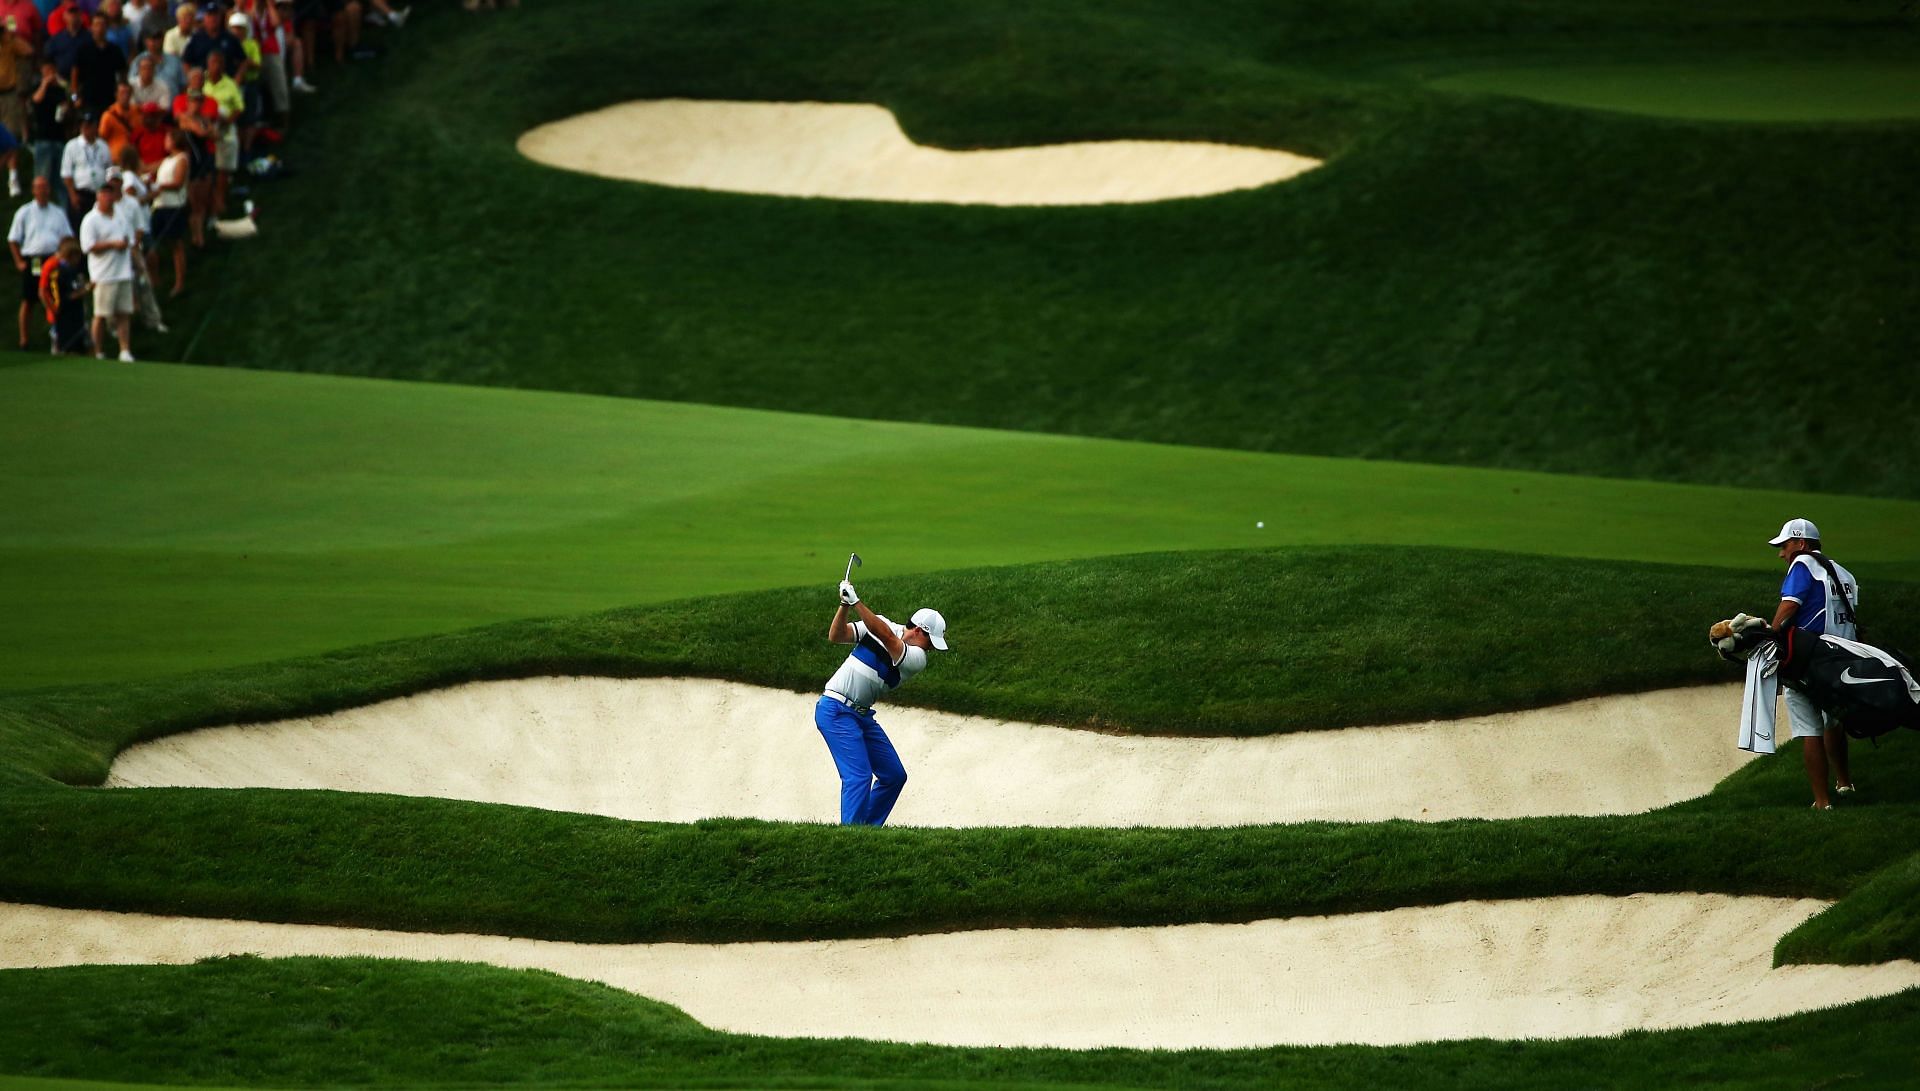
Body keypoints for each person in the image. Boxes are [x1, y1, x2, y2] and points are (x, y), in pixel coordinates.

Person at [815, 574, 949, 826]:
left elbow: (888, 638)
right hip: (835, 709)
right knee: (858, 776)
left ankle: (866, 830)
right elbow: (837, 635)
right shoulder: (880, 624)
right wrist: (844, 605)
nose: (930, 648)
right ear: (919, 631)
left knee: (894, 775)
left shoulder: (916, 658)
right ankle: (852, 836)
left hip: (861, 716)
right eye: (930, 641)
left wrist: (857, 602)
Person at [1767, 517, 1861, 810]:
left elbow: (1791, 602)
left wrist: (1773, 632)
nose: (1782, 553)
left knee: (1810, 728)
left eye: (1785, 545)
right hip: (1842, 659)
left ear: (1801, 543)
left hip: (1810, 659)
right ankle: (1845, 783)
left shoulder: (1802, 564)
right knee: (1833, 721)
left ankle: (1822, 802)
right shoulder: (1843, 572)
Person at [8, 174, 72, 346]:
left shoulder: (57, 212)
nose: (42, 190)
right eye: (38, 187)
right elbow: (13, 239)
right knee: (29, 299)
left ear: (49, 190)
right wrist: (19, 261)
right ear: (33, 190)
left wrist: (62, 256)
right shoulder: (25, 211)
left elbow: (67, 237)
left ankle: (58, 337)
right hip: (34, 260)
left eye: (45, 187)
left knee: (55, 297)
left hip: (52, 259)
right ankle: (24, 339)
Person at [79, 176, 136, 360]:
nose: (108, 198)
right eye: (104, 194)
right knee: (101, 315)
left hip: (123, 272)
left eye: (111, 194)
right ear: (98, 197)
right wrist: (112, 244)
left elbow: (131, 239)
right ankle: (97, 351)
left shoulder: (120, 216)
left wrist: (125, 244)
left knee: (123, 313)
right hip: (103, 274)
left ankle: (125, 350)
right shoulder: (91, 220)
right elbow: (88, 246)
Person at [147, 123, 185, 292]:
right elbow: (148, 168)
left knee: (175, 244)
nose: (165, 141)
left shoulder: (182, 159)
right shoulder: (166, 160)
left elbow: (178, 183)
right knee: (152, 243)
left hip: (173, 206)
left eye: (168, 138)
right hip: (159, 206)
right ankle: (155, 279)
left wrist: (158, 186)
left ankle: (179, 282)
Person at [28, 59, 70, 211]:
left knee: (60, 181)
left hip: (58, 138)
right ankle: (38, 211)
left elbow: (66, 109)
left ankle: (64, 214)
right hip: (43, 139)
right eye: (46, 70)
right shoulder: (37, 87)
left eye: (52, 70)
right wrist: (45, 83)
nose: (50, 73)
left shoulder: (60, 90)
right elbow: (36, 100)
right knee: (42, 179)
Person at [60, 111, 112, 232]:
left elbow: (109, 169)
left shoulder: (103, 146)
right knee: (78, 227)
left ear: (95, 126)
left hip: (99, 193)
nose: (86, 128)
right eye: (83, 125)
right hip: (80, 193)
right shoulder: (72, 146)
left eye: (89, 125)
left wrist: (109, 192)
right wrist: (72, 195)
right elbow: (66, 174)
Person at [39, 234, 89, 354]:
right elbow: (43, 291)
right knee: (58, 339)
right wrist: (52, 308)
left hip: (69, 311)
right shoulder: (52, 266)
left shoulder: (71, 268)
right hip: (58, 308)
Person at [0, 17, 32, 195]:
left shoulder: (8, 43)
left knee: (11, 138)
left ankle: (13, 178)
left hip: (9, 94)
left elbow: (28, 51)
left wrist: (10, 36)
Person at [71, 12, 127, 114]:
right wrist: (75, 98)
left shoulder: (115, 50)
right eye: (96, 24)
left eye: (103, 24)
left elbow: (122, 75)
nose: (100, 28)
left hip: (110, 100)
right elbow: (75, 76)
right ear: (91, 27)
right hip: (88, 101)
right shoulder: (83, 49)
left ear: (107, 27)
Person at [99, 78, 136, 159]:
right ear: (116, 94)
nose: (125, 96)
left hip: (133, 159)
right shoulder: (108, 115)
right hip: (114, 159)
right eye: (122, 93)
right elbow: (101, 141)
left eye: (128, 93)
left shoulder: (136, 112)